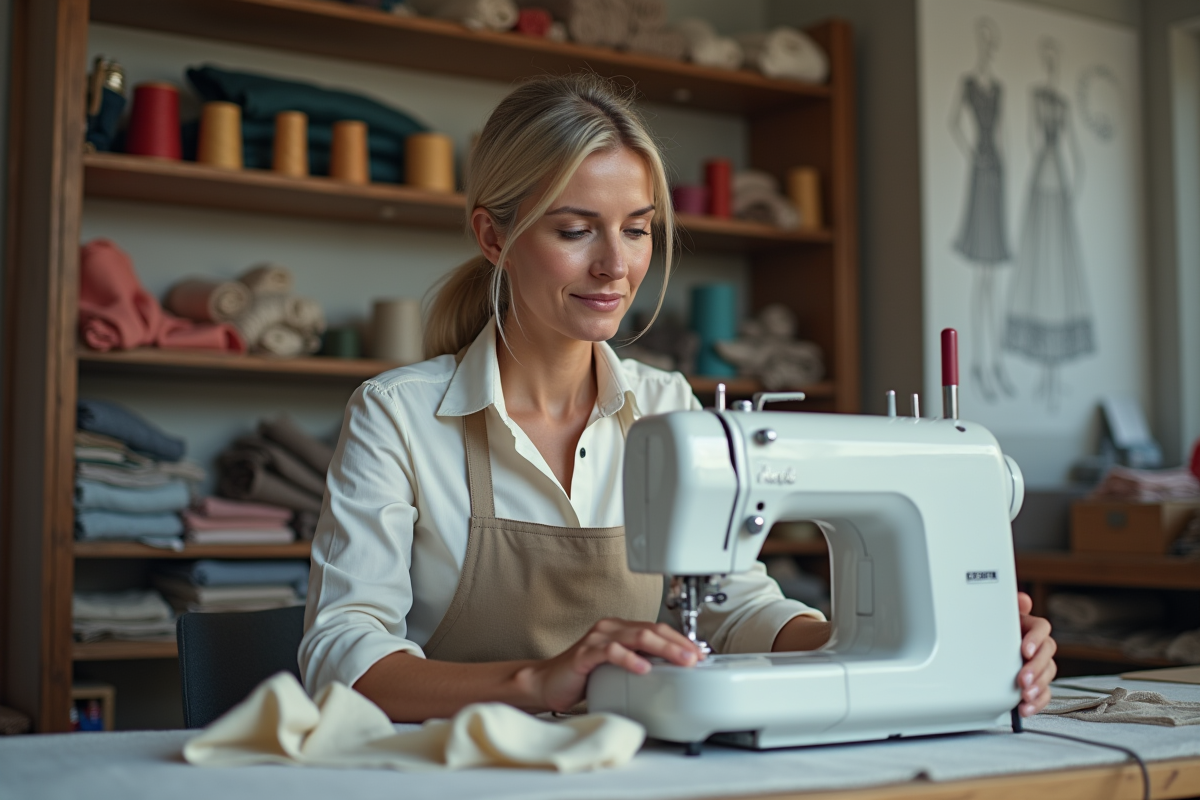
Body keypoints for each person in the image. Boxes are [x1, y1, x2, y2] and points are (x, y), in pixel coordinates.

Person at [300, 73, 1057, 723]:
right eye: (574, 230)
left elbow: (732, 608)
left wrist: (924, 643)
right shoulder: (398, 416)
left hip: (635, 764)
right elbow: (342, 652)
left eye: (637, 230)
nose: (615, 267)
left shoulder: (666, 408)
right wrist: (538, 681)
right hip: (459, 774)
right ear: (492, 238)